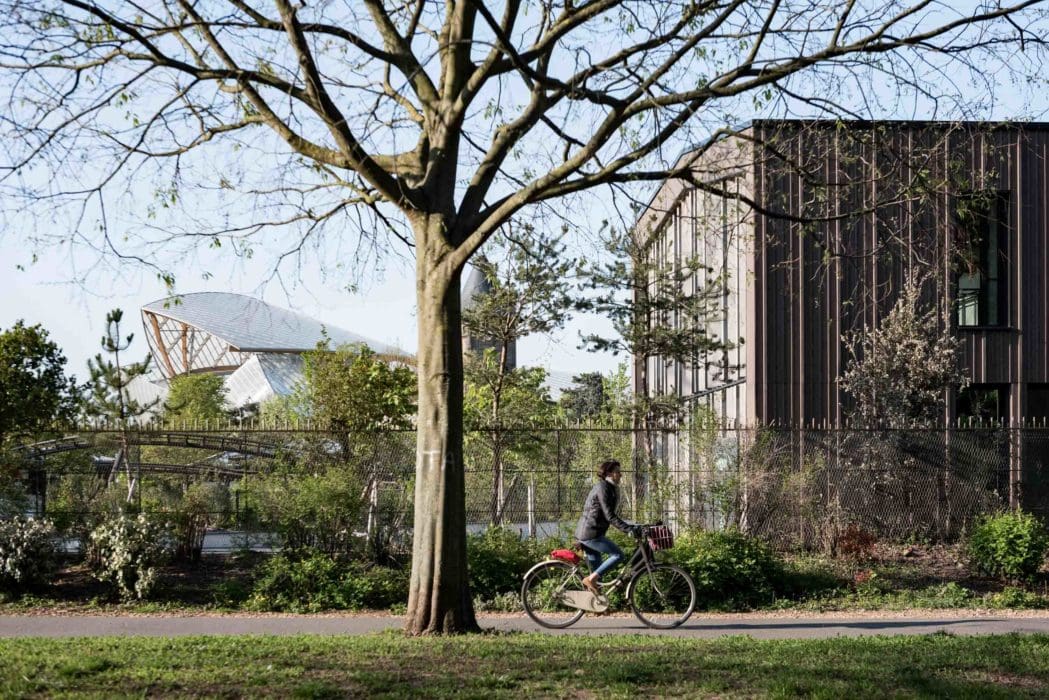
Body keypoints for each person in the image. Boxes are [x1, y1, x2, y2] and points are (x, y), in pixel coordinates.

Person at [574, 459, 639, 594]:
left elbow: (610, 515)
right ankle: (589, 580)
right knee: (618, 555)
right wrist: (628, 529)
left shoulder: (609, 487)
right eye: (617, 472)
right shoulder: (603, 488)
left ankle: (595, 602)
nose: (620, 474)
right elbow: (609, 515)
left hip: (592, 532)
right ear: (609, 474)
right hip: (591, 534)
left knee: (597, 576)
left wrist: (633, 526)